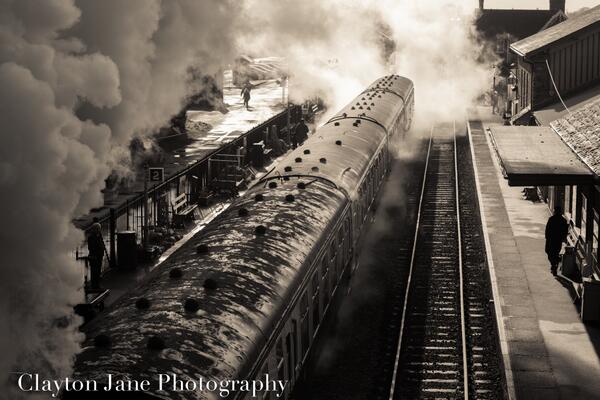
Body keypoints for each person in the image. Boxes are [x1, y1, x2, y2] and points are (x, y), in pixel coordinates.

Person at [545, 206, 569, 275]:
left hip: (551, 239)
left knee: (549, 252)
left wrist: (547, 237)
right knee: (555, 253)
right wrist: (563, 238)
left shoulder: (551, 219)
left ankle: (553, 266)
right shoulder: (563, 220)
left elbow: (547, 229)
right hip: (558, 240)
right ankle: (555, 265)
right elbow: (565, 231)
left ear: (555, 211)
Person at [87, 217, 105, 290]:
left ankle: (96, 285)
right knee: (94, 271)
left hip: (99, 256)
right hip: (95, 256)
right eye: (97, 229)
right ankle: (95, 285)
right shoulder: (92, 237)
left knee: (97, 271)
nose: (99, 230)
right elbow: (92, 248)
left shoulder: (98, 236)